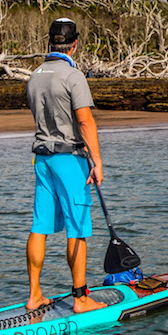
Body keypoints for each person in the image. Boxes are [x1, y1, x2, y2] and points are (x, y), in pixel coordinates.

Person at [25, 17, 104, 313]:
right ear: (74, 43)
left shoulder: (35, 75)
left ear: (50, 42)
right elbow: (84, 120)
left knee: (39, 226)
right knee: (78, 228)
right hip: (69, 159)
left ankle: (35, 295)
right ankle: (81, 298)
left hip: (42, 159)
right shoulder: (74, 76)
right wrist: (96, 161)